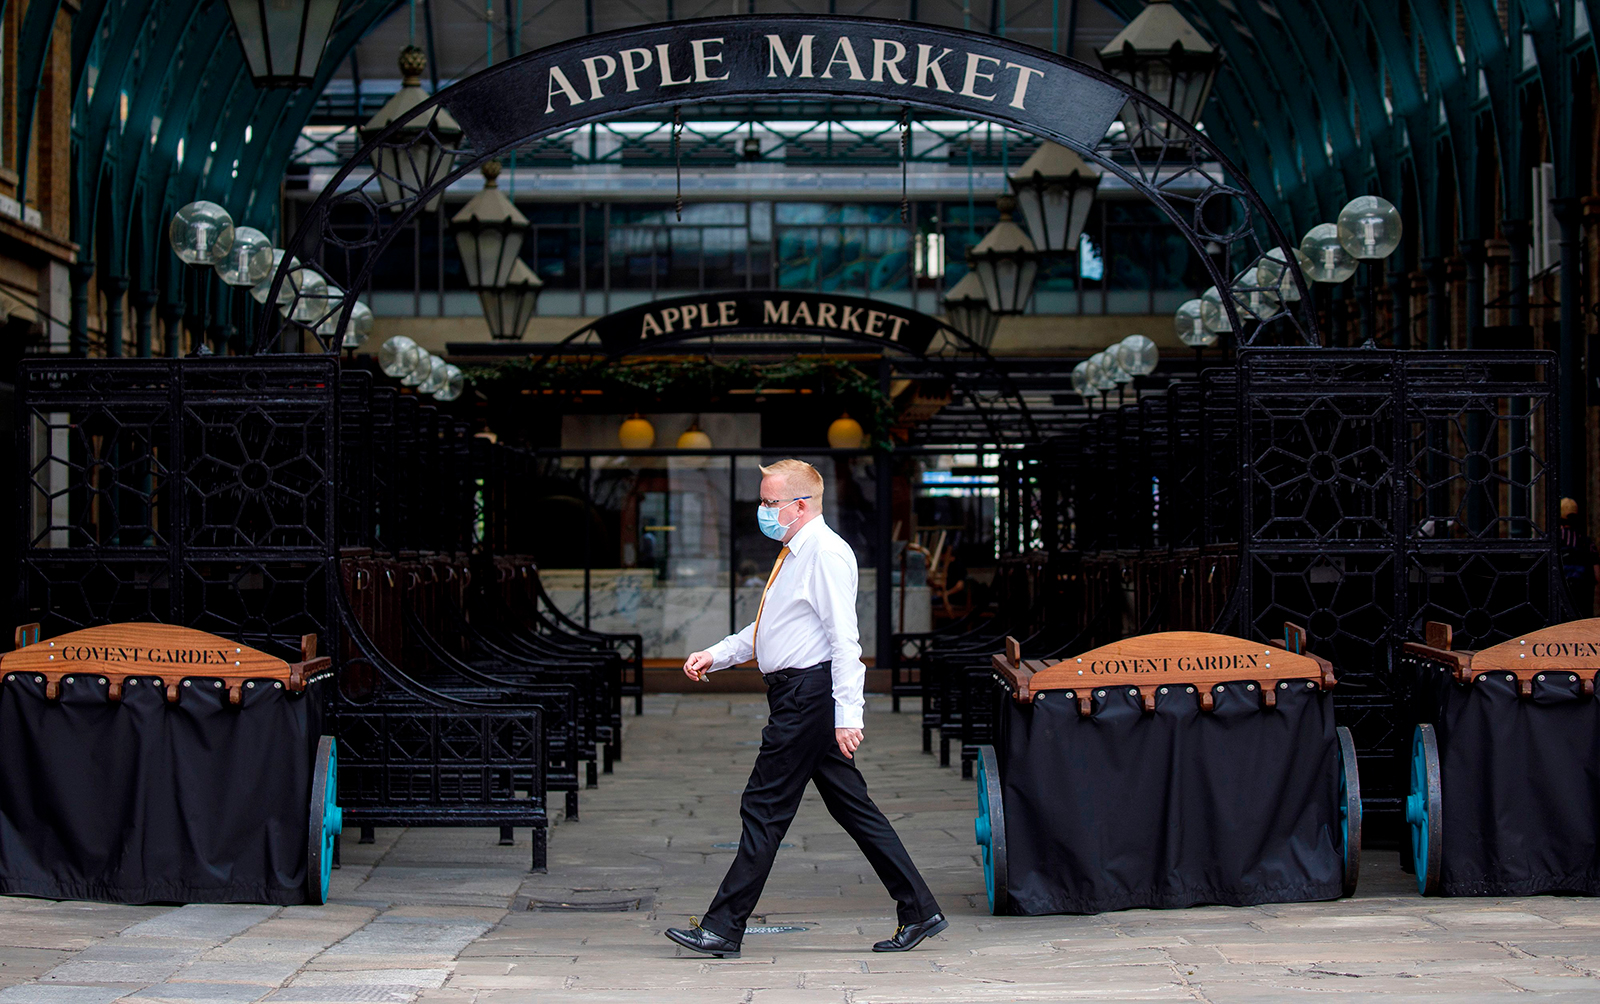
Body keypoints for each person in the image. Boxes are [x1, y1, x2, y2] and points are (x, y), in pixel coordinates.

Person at [664, 459, 944, 959]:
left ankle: (723, 927)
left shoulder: (825, 554)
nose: (762, 511)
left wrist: (848, 716)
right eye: (763, 501)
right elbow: (771, 630)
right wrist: (717, 654)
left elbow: (845, 640)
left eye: (770, 503)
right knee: (853, 808)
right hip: (799, 693)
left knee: (764, 806)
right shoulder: (795, 553)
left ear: (800, 505)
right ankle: (920, 910)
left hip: (808, 697)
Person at [1559, 498, 1600, 618]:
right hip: (1582, 594)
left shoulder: (1555, 541)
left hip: (1561, 593)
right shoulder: (1585, 541)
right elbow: (1597, 575)